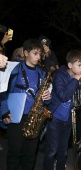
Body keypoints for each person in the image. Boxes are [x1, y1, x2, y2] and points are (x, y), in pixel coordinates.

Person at [0, 38, 51, 170]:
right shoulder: (13, 68)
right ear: (25, 53)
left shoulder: (42, 72)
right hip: (16, 116)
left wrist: (47, 97)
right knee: (14, 153)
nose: (38, 57)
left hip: (34, 118)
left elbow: (46, 98)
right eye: (35, 53)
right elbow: (3, 92)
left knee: (30, 154)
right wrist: (4, 112)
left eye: (40, 54)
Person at [43, 50, 81, 170]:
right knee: (52, 150)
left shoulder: (78, 78)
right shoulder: (60, 75)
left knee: (63, 151)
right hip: (55, 118)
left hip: (68, 119)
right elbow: (63, 96)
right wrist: (75, 80)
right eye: (79, 65)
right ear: (70, 65)